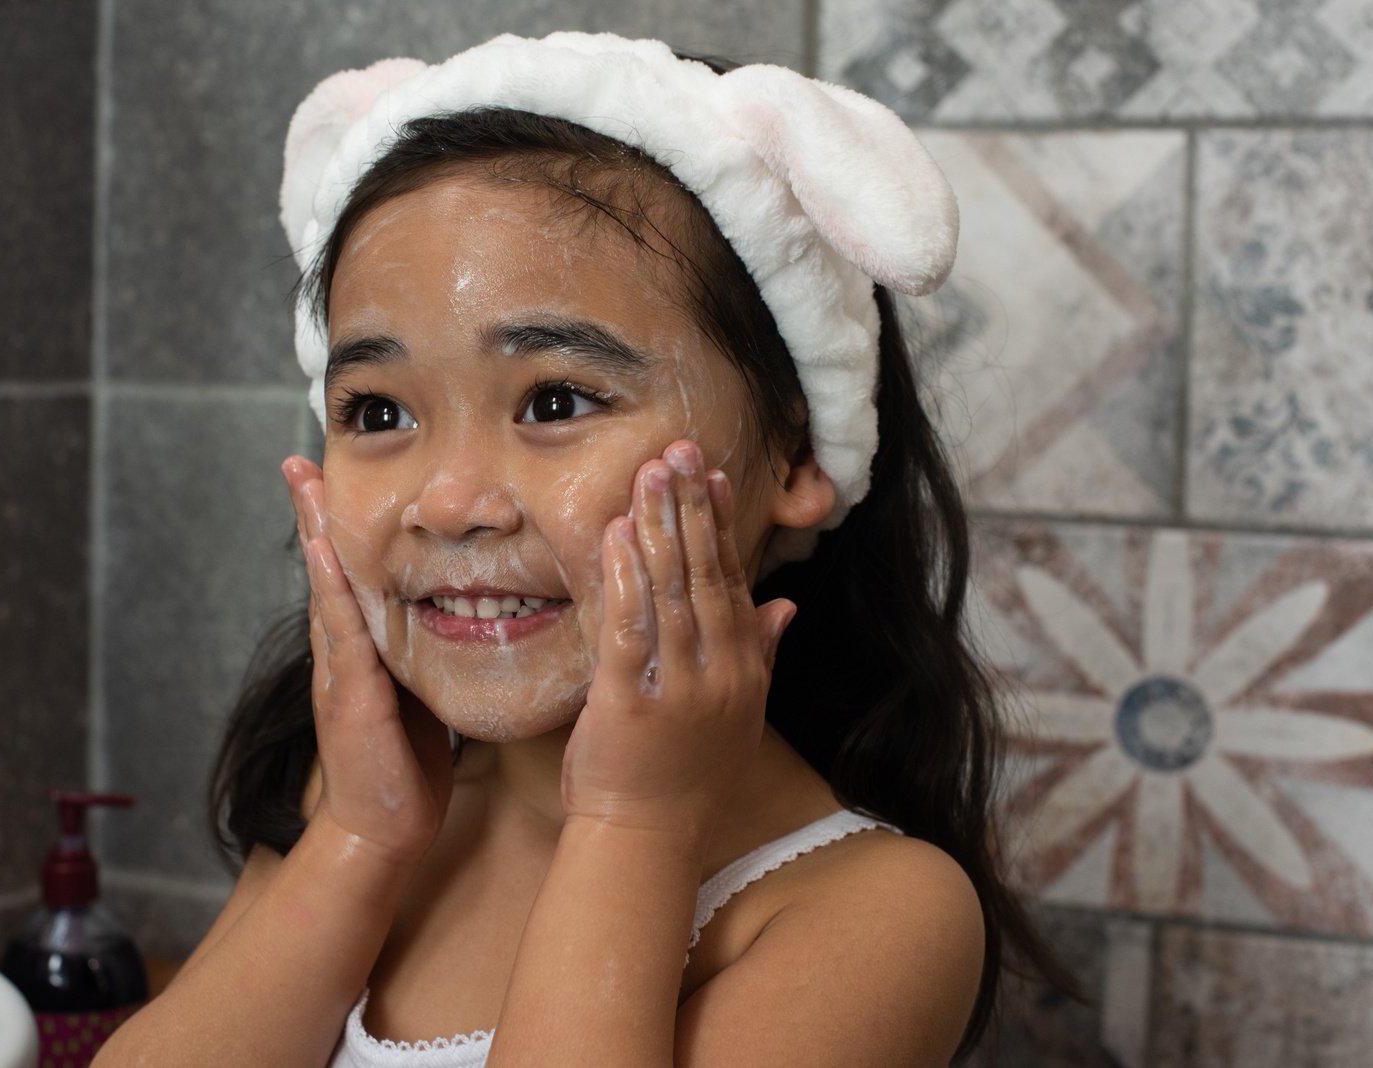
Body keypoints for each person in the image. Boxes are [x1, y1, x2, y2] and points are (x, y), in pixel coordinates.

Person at [96, 31, 1071, 1068]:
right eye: (377, 410)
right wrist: (356, 844)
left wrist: (632, 826)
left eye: (554, 400)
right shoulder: (349, 801)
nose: (450, 501)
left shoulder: (871, 912)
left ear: (792, 453)